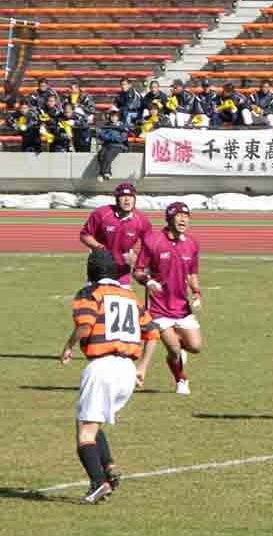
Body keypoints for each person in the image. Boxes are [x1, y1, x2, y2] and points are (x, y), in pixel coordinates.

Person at [61, 249, 160, 503]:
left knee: (84, 432)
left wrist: (69, 346)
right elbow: (153, 333)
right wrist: (143, 368)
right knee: (93, 421)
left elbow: (85, 325)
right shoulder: (130, 295)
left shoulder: (90, 293)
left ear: (90, 270)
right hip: (127, 370)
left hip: (102, 366)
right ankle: (108, 467)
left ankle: (98, 483)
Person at [133, 201, 202, 395]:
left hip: (182, 308)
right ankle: (181, 379)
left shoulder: (192, 244)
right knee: (173, 349)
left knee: (195, 347)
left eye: (186, 216)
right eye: (179, 216)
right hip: (158, 307)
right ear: (169, 218)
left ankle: (179, 353)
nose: (183, 219)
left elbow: (192, 274)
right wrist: (148, 281)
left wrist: (196, 291)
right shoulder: (152, 240)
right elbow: (137, 271)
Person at [79, 182, 151, 287]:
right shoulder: (101, 213)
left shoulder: (142, 220)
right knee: (94, 302)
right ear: (116, 199)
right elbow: (84, 235)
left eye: (131, 196)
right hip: (99, 270)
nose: (127, 200)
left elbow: (150, 246)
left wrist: (136, 256)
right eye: (123, 196)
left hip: (122, 273)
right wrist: (100, 248)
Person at [94, 111, 130, 181]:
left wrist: (109, 137)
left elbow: (122, 138)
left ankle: (101, 173)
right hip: (107, 145)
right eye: (112, 116)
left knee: (108, 154)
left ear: (118, 118)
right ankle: (108, 172)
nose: (113, 118)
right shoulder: (107, 125)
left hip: (118, 146)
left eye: (115, 116)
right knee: (100, 154)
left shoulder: (122, 126)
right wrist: (113, 137)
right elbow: (101, 135)